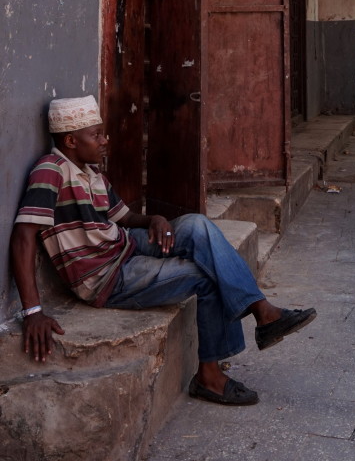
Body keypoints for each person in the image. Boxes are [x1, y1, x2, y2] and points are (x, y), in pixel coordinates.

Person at [10, 96, 316, 407]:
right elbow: (23, 237)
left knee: (196, 225)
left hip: (124, 244)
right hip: (107, 276)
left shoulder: (92, 173)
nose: (105, 141)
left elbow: (124, 219)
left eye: (103, 133)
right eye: (96, 135)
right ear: (71, 140)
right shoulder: (50, 171)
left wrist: (154, 219)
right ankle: (211, 375)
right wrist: (32, 311)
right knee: (204, 276)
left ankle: (262, 311)